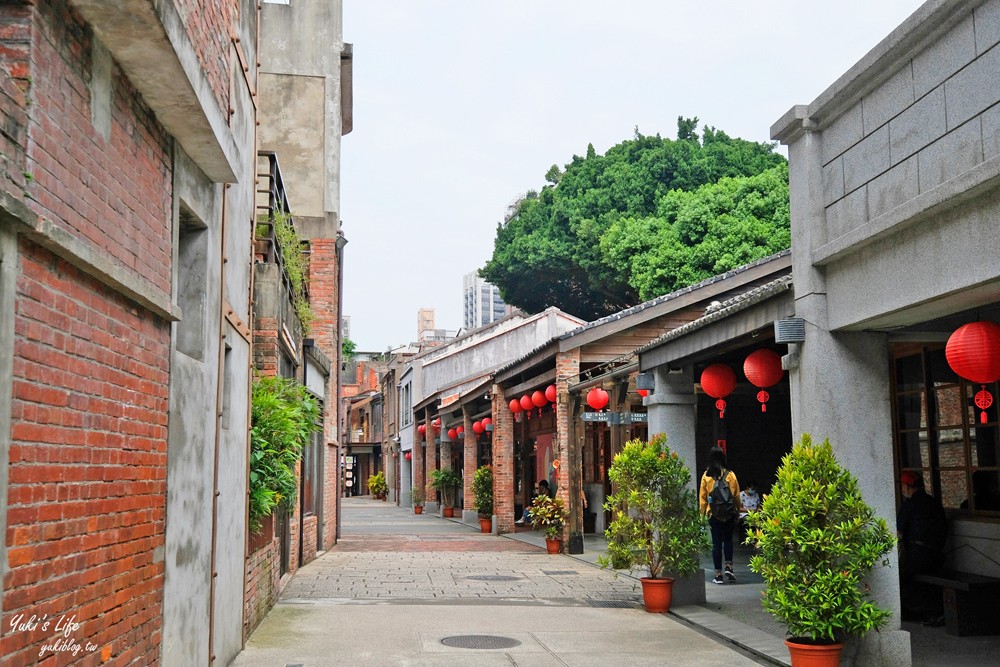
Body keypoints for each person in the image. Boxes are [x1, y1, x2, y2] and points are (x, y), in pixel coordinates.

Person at [897, 470, 948, 625]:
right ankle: (932, 612)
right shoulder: (933, 502)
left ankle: (917, 613)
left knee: (899, 578)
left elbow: (898, 531)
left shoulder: (910, 505)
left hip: (918, 555)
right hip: (938, 554)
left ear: (906, 486)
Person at [699, 446, 742, 585]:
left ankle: (718, 574)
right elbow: (736, 496)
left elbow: (703, 498)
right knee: (728, 540)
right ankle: (729, 567)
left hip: (714, 514)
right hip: (729, 514)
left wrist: (702, 514)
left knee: (716, 543)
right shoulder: (731, 475)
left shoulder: (706, 476)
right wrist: (737, 511)